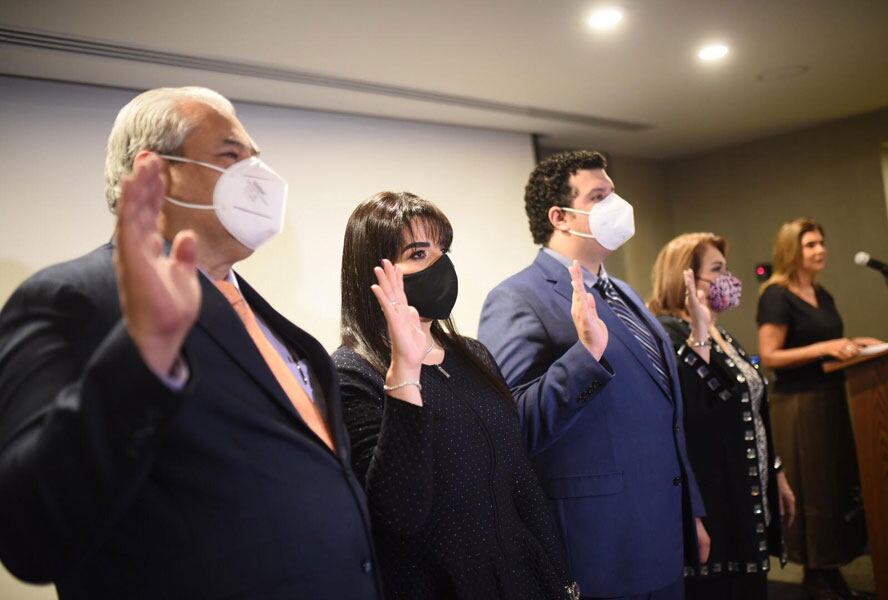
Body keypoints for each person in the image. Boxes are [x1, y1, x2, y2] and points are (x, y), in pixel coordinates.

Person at [0, 87, 380, 599]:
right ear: (155, 172)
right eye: (231, 154)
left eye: (256, 157)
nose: (258, 175)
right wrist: (144, 354)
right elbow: (28, 534)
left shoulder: (279, 329)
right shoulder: (75, 299)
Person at [478, 151, 708, 600]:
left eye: (613, 193)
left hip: (663, 528)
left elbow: (664, 414)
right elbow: (514, 423)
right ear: (560, 217)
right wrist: (586, 355)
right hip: (599, 544)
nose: (616, 206)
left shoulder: (623, 291)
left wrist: (691, 510)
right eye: (599, 196)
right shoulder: (516, 297)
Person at [332, 191, 578, 600]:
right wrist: (405, 371)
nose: (439, 265)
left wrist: (562, 579)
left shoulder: (473, 354)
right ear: (373, 270)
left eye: (442, 250)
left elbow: (519, 477)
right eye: (418, 253)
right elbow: (398, 515)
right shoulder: (350, 373)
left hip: (519, 579)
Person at [648, 232, 796, 599]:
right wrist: (699, 333)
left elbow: (751, 409)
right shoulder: (667, 331)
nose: (727, 279)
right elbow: (693, 409)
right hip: (715, 496)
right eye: (717, 270)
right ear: (685, 276)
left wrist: (775, 471)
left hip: (747, 486)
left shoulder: (720, 332)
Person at [757, 218, 879, 600]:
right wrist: (826, 347)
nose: (820, 250)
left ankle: (831, 570)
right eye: (810, 244)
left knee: (835, 488)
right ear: (791, 250)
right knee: (814, 490)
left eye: (821, 242)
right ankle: (815, 575)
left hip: (831, 398)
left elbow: (827, 342)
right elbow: (769, 355)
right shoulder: (776, 295)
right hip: (799, 405)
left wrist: (853, 343)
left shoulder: (821, 293)